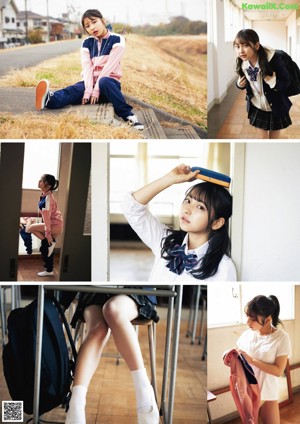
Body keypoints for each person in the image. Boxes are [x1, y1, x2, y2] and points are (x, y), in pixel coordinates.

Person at [59, 289, 160, 424]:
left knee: (112, 310)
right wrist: (62, 304)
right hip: (96, 291)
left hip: (133, 290)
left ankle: (145, 392)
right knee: (98, 329)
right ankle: (76, 403)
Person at [122, 164, 237, 281]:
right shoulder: (166, 241)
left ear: (217, 223)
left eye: (200, 207)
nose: (187, 210)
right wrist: (169, 179)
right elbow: (131, 207)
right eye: (187, 200)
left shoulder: (223, 268)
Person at [35, 9, 144, 130]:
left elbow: (108, 69)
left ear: (103, 21)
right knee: (75, 89)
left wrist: (96, 90)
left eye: (94, 22)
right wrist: (88, 90)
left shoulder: (117, 40)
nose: (92, 27)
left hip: (109, 86)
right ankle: (49, 99)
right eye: (87, 25)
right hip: (90, 85)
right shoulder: (87, 43)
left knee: (104, 81)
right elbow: (87, 68)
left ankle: (129, 116)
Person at [236, 295, 291, 424]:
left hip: (268, 390)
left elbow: (278, 371)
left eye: (253, 319)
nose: (248, 322)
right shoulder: (247, 335)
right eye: (248, 316)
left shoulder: (281, 338)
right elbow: (239, 356)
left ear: (267, 320)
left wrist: (252, 360)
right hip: (249, 390)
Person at [234, 29, 292, 139]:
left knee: (274, 141)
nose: (240, 51)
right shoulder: (242, 62)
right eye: (237, 46)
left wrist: (272, 81)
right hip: (257, 106)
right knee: (263, 140)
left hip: (275, 105)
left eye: (245, 45)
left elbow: (286, 83)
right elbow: (245, 82)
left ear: (256, 46)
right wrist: (239, 84)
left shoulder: (273, 60)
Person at [25, 174, 63, 277]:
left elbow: (46, 219)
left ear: (48, 185)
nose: (39, 181)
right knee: (46, 248)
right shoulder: (46, 194)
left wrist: (48, 234)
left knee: (30, 228)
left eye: (41, 180)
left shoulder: (47, 199)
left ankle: (49, 242)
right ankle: (49, 270)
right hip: (55, 223)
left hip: (54, 225)